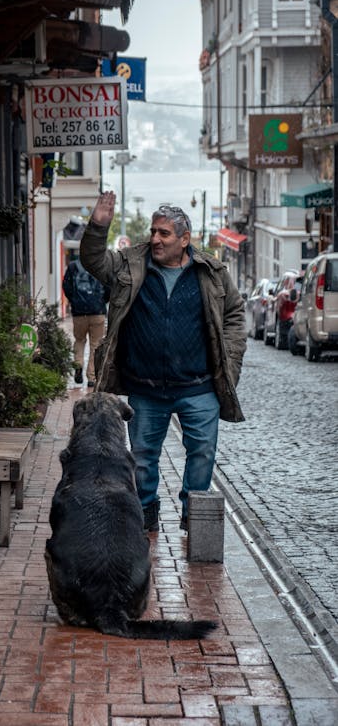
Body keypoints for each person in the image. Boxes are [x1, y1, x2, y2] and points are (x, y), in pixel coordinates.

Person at [80, 191, 247, 532]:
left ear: (185, 240)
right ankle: (144, 518)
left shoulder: (211, 272)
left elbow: (234, 313)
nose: (155, 238)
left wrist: (230, 361)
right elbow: (92, 260)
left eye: (164, 233)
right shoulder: (130, 264)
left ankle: (194, 516)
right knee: (142, 459)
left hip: (198, 386)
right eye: (153, 231)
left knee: (201, 455)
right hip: (145, 387)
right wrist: (98, 225)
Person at [62, 258, 110, 387]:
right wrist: (101, 302)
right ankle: (92, 377)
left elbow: (66, 286)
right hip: (98, 312)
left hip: (79, 313)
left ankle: (78, 365)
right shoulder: (101, 264)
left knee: (79, 340)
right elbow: (109, 288)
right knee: (95, 344)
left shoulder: (73, 266)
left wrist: (74, 301)